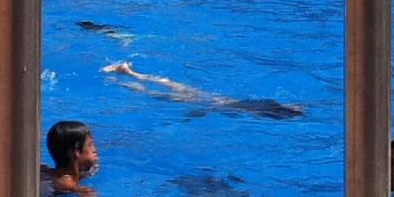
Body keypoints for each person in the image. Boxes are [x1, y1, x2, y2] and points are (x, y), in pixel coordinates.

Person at [102, 60, 303, 119]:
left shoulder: (259, 104)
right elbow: (215, 110)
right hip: (201, 101)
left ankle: (128, 71)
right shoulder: (253, 110)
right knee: (153, 93)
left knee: (167, 83)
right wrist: (192, 114)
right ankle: (122, 80)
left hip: (208, 96)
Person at [41, 119, 98, 197]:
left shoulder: (50, 172)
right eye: (90, 144)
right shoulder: (68, 184)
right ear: (76, 151)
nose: (94, 149)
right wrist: (84, 192)